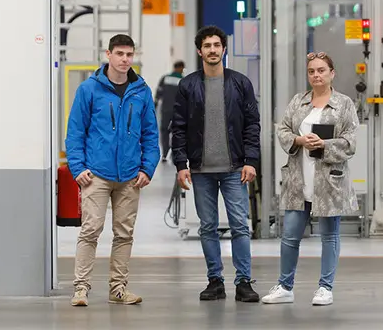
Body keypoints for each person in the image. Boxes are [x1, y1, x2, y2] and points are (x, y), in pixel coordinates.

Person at [64, 34, 161, 307]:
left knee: (124, 234)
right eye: (119, 54)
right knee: (90, 230)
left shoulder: (141, 91)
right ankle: (81, 289)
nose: (125, 59)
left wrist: (148, 168)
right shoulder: (89, 90)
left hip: (130, 177)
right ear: (108, 54)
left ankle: (118, 289)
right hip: (96, 174)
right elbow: (75, 133)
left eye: (129, 55)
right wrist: (77, 167)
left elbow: (150, 135)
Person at [171, 25, 261, 302]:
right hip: (200, 170)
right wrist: (180, 164)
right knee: (207, 227)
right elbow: (179, 127)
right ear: (200, 51)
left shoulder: (240, 83)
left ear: (224, 49)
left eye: (216, 45)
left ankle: (244, 281)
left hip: (235, 169)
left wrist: (251, 160)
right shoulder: (187, 85)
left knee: (239, 226)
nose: (212, 50)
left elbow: (251, 125)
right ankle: (215, 280)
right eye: (207, 46)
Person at [261, 52, 359, 307]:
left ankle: (325, 288)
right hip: (298, 180)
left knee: (329, 235)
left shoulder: (344, 104)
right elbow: (282, 129)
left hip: (328, 182)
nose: (316, 75)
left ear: (331, 73)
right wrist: (298, 140)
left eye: (321, 70)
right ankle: (285, 286)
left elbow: (351, 142)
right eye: (312, 71)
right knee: (290, 236)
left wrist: (324, 144)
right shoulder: (298, 102)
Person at [155, 60, 185, 162]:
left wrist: (154, 105)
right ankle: (174, 153)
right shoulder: (183, 80)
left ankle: (164, 153)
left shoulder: (165, 78)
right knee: (177, 132)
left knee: (164, 130)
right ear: (181, 68)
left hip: (166, 109)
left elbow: (158, 93)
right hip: (178, 111)